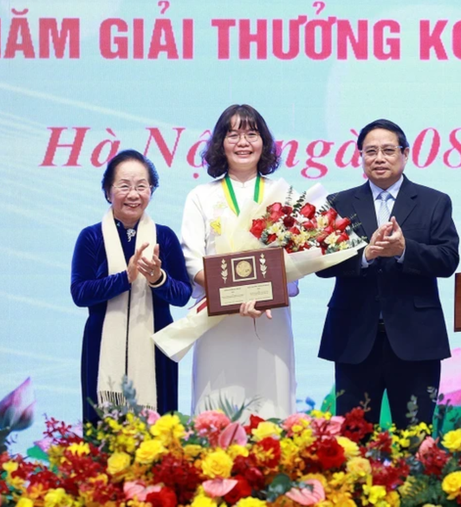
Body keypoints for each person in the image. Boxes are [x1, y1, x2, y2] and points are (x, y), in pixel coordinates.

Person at [317, 119, 459, 428]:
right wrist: (365, 255)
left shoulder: (434, 202)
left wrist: (406, 250)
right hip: (354, 338)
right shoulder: (338, 203)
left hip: (416, 340)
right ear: (361, 158)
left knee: (414, 440)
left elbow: (448, 260)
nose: (379, 158)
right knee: (353, 441)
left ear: (405, 154)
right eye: (370, 151)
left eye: (388, 150)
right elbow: (321, 265)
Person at [181, 104, 299, 419]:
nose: (243, 142)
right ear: (220, 143)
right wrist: (233, 295)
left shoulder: (283, 192)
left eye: (251, 133)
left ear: (264, 142)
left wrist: (258, 294)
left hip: (270, 319)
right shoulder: (200, 196)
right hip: (218, 322)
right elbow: (191, 260)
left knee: (272, 408)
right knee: (216, 410)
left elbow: (297, 254)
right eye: (233, 134)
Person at [71, 150, 192, 424]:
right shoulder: (91, 237)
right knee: (103, 433)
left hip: (157, 346)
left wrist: (157, 279)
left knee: (158, 436)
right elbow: (80, 293)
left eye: (142, 186)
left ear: (152, 190)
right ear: (107, 191)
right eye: (124, 186)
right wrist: (124, 278)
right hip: (101, 345)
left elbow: (183, 294)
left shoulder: (164, 236)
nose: (133, 194)